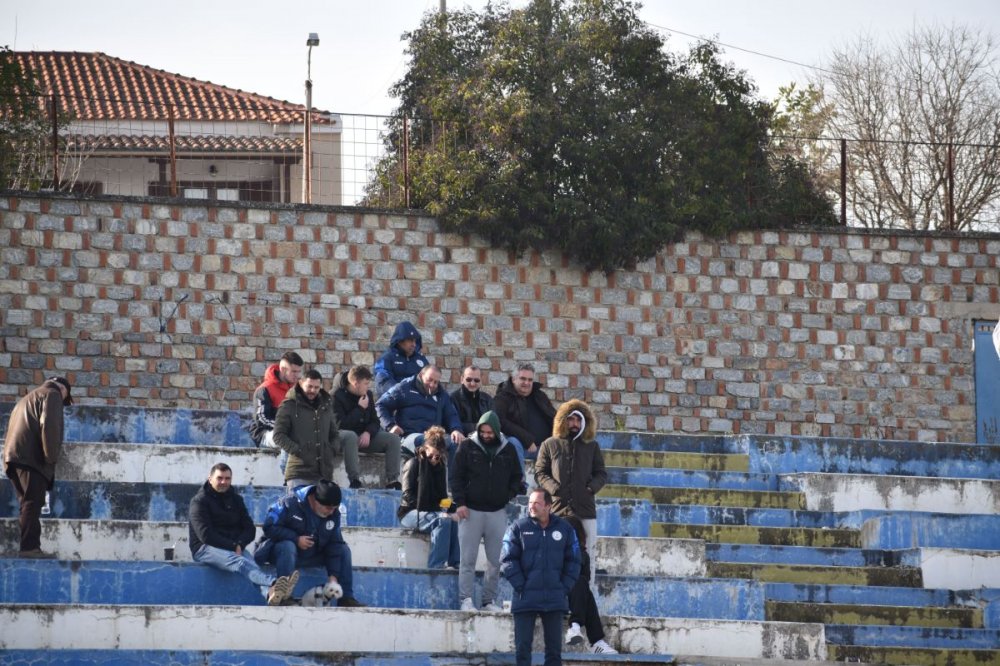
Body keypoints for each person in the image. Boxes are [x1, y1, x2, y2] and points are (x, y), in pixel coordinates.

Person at [188, 462, 299, 606]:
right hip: (204, 548)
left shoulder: (236, 499)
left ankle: (270, 594)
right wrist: (233, 546)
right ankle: (274, 582)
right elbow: (205, 535)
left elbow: (249, 528)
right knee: (240, 563)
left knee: (251, 565)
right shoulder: (199, 501)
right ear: (210, 478)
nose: (223, 482)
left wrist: (239, 544)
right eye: (219, 478)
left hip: (233, 546)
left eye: (227, 478)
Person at [252, 479, 364, 607]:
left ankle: (346, 598)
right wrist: (296, 539)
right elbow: (269, 526)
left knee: (344, 550)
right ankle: (282, 595)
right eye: (328, 508)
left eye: (334, 508)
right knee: (288, 546)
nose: (331, 512)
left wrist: (333, 578)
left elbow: (335, 544)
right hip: (281, 554)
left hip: (311, 554)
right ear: (315, 500)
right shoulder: (289, 503)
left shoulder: (333, 514)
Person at [500, 488, 581, 666]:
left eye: (536, 503)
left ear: (548, 506)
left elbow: (574, 561)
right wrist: (521, 586)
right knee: (522, 651)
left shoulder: (565, 529)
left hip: (554, 598)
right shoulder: (517, 528)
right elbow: (507, 559)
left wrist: (563, 587)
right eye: (530, 503)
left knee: (554, 653)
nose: (531, 507)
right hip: (525, 597)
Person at [452, 411, 521, 612]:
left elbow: (517, 477)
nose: (486, 435)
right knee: (467, 559)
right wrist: (460, 503)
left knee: (495, 561)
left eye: (490, 432)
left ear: (497, 431)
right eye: (483, 431)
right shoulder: (466, 447)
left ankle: (488, 600)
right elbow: (456, 478)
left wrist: (507, 495)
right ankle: (465, 599)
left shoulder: (508, 449)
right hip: (470, 511)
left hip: (497, 512)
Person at [2, 377, 72, 558]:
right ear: (63, 390)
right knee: (33, 503)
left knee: (26, 504)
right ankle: (30, 548)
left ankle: (28, 546)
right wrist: (51, 458)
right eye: (66, 399)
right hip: (32, 458)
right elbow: (50, 426)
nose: (63, 403)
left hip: (13, 457)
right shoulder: (53, 395)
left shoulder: (26, 398)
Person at [534, 400, 607, 557]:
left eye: (579, 419)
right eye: (571, 419)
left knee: (589, 555)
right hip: (557, 509)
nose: (575, 423)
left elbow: (601, 473)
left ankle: (588, 583)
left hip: (585, 509)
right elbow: (540, 472)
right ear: (563, 420)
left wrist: (590, 488)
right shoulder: (549, 444)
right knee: (555, 554)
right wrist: (554, 488)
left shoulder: (592, 446)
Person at [397, 426, 459, 569]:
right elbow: (407, 496)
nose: (433, 459)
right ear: (425, 449)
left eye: (437, 457)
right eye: (431, 455)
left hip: (431, 511)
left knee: (454, 521)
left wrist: (454, 508)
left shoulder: (440, 468)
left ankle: (455, 563)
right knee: (442, 520)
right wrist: (434, 509)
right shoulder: (413, 464)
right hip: (410, 512)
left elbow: (442, 498)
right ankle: (436, 566)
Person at [332, 365, 402, 490]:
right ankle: (354, 480)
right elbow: (339, 424)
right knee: (351, 436)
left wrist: (368, 432)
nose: (368, 387)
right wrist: (359, 409)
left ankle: (392, 480)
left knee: (393, 439)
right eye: (365, 384)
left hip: (364, 438)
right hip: (344, 440)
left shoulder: (367, 394)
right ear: (355, 383)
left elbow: (375, 421)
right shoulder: (335, 396)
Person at [375, 365, 465, 463]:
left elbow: (451, 415)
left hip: (434, 436)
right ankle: (425, 478)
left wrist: (456, 429)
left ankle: (451, 478)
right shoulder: (404, 388)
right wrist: (390, 425)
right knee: (429, 443)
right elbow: (380, 405)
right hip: (409, 436)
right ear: (421, 375)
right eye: (429, 380)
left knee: (455, 443)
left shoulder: (441, 395)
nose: (432, 384)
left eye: (436, 382)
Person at [273, 369, 339, 490]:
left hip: (324, 473)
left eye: (316, 387)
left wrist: (331, 450)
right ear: (301, 383)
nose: (313, 390)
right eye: (309, 386)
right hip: (299, 472)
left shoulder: (326, 406)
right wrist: (299, 451)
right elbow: (278, 435)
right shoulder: (289, 405)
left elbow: (334, 434)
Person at [563, 515, 618, 654]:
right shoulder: (551, 552)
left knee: (584, 587)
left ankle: (578, 629)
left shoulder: (583, 555)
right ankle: (595, 641)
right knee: (582, 587)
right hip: (552, 592)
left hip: (572, 597)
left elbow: (584, 579)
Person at [248, 351, 304, 473]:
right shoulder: (264, 389)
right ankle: (287, 475)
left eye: (299, 371)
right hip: (264, 433)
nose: (298, 375)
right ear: (283, 370)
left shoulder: (298, 389)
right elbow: (261, 419)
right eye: (294, 371)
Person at [493, 362, 556, 465]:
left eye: (530, 380)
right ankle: (519, 480)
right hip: (523, 448)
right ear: (513, 379)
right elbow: (499, 420)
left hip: (545, 447)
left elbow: (554, 416)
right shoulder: (502, 397)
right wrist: (527, 439)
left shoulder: (539, 395)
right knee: (513, 442)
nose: (527, 383)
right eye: (523, 379)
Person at [373, 321, 429, 396]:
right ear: (400, 341)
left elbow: (432, 381)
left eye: (415, 341)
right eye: (410, 340)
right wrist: (403, 395)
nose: (414, 344)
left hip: (419, 403)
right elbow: (383, 381)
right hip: (396, 403)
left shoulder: (421, 359)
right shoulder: (386, 359)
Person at [450, 365, 493, 435]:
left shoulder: (487, 399)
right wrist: (479, 427)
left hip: (486, 438)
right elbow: (454, 424)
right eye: (468, 380)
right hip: (463, 439)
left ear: (481, 381)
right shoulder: (453, 399)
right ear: (462, 380)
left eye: (476, 380)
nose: (472, 384)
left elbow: (494, 422)